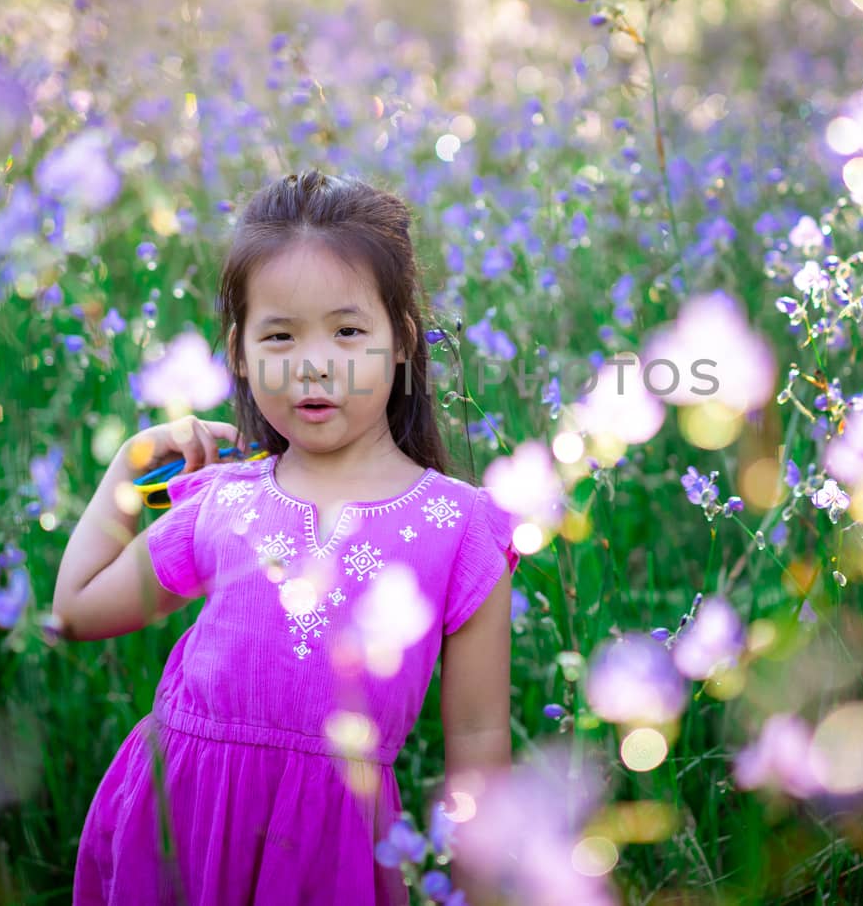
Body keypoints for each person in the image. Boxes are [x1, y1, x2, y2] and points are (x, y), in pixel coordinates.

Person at [52, 169, 519, 906]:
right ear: (238, 352)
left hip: (329, 858)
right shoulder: (223, 501)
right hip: (177, 830)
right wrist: (129, 467)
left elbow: (481, 739)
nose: (312, 362)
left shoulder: (462, 529)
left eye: (347, 330)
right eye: (280, 334)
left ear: (400, 341)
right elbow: (75, 610)